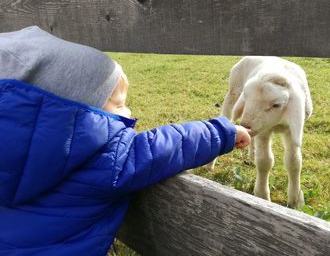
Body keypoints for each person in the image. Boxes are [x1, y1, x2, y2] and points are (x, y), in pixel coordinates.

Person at [0, 26, 250, 256]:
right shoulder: (106, 158)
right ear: (81, 111)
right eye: (119, 104)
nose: (129, 112)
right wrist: (220, 132)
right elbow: (165, 146)